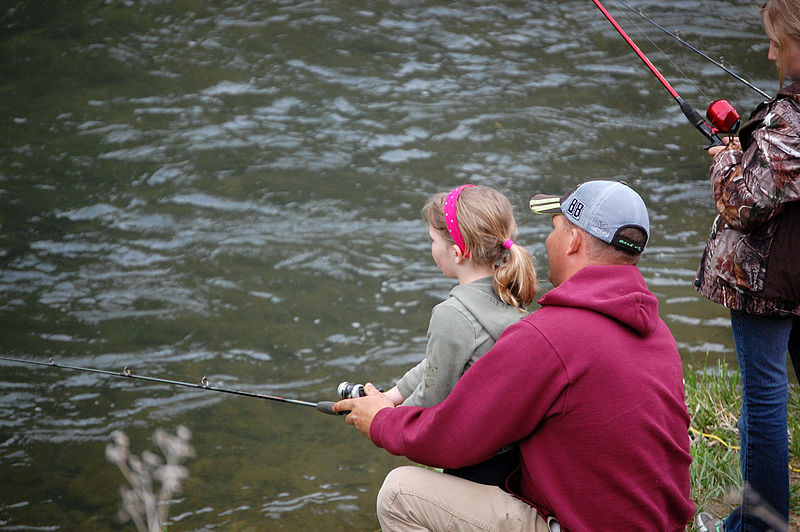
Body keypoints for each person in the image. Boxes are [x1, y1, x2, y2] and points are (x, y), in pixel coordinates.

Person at [335, 180, 695, 532]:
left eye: (555, 227)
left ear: (573, 241)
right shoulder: (657, 332)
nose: (546, 239)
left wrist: (381, 419)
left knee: (399, 494)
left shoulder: (551, 337)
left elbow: (452, 438)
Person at [694, 1, 800, 530]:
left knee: (763, 401)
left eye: (777, 43)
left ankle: (760, 525)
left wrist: (725, 158)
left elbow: (741, 204)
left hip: (769, 281)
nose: (769, 52)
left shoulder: (790, 119)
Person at [380, 184, 538, 486]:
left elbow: (431, 398)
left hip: (476, 472)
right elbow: (437, 363)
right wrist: (391, 396)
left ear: (456, 252)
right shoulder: (510, 300)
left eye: (432, 240)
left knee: (398, 492)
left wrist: (380, 419)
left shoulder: (452, 315)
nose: (431, 248)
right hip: (511, 463)